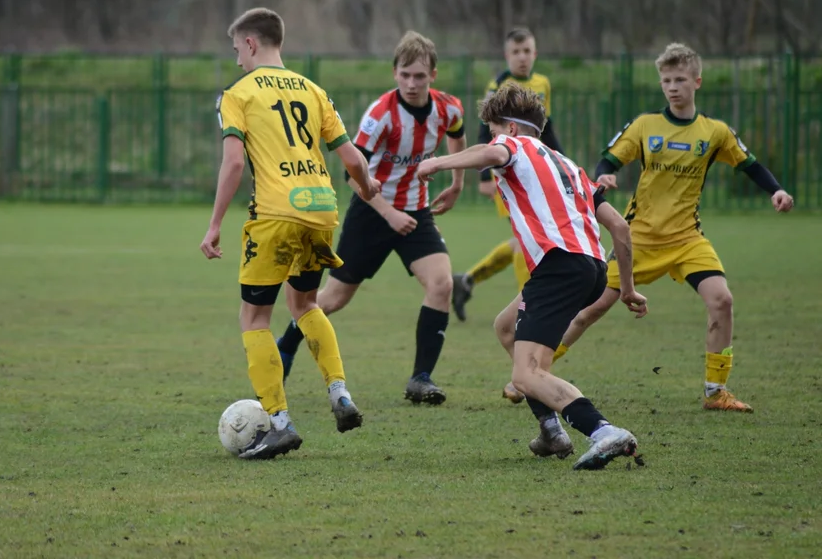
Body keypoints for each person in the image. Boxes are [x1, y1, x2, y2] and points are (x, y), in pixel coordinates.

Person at [548, 43, 795, 412]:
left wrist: (776, 190)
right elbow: (609, 158)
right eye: (666, 80)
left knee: (722, 300)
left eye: (680, 79)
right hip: (639, 237)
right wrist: (607, 174)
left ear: (697, 81)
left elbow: (749, 165)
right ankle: (533, 372)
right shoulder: (646, 125)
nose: (673, 87)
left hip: (687, 239)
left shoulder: (714, 132)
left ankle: (715, 391)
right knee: (590, 310)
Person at [417, 83, 645, 470]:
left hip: (558, 266)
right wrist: (626, 289)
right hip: (589, 269)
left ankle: (603, 431)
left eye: (493, 129)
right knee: (506, 327)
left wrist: (437, 163)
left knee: (526, 373)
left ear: (511, 129)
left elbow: (491, 152)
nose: (491, 139)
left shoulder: (516, 146)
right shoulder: (571, 167)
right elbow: (620, 229)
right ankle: (551, 430)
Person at [200, 7, 381, 460]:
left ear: (251, 44)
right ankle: (340, 394)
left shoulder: (236, 94)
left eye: (237, 50)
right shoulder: (314, 90)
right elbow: (353, 158)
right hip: (321, 211)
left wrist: (215, 223)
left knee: (254, 319)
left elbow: (235, 162)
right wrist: (367, 187)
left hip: (277, 214)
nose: (237, 60)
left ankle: (279, 422)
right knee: (305, 304)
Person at [274, 31, 467, 404]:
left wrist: (457, 181)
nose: (412, 83)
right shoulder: (381, 115)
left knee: (442, 285)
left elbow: (457, 134)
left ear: (433, 76)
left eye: (420, 76)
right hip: (372, 211)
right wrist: (389, 213)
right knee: (333, 299)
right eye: (405, 75)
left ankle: (421, 378)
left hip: (416, 213)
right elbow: (351, 172)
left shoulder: (449, 109)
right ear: (394, 73)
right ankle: (287, 345)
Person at [452, 27, 563, 332]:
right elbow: (484, 128)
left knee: (521, 239)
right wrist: (486, 175)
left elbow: (546, 129)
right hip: (509, 172)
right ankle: (528, 303)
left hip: (534, 173)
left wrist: (563, 163)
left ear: (535, 54)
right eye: (516, 52)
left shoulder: (543, 84)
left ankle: (468, 280)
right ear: (507, 55)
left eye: (527, 51)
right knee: (523, 240)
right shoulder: (499, 84)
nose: (522, 57)